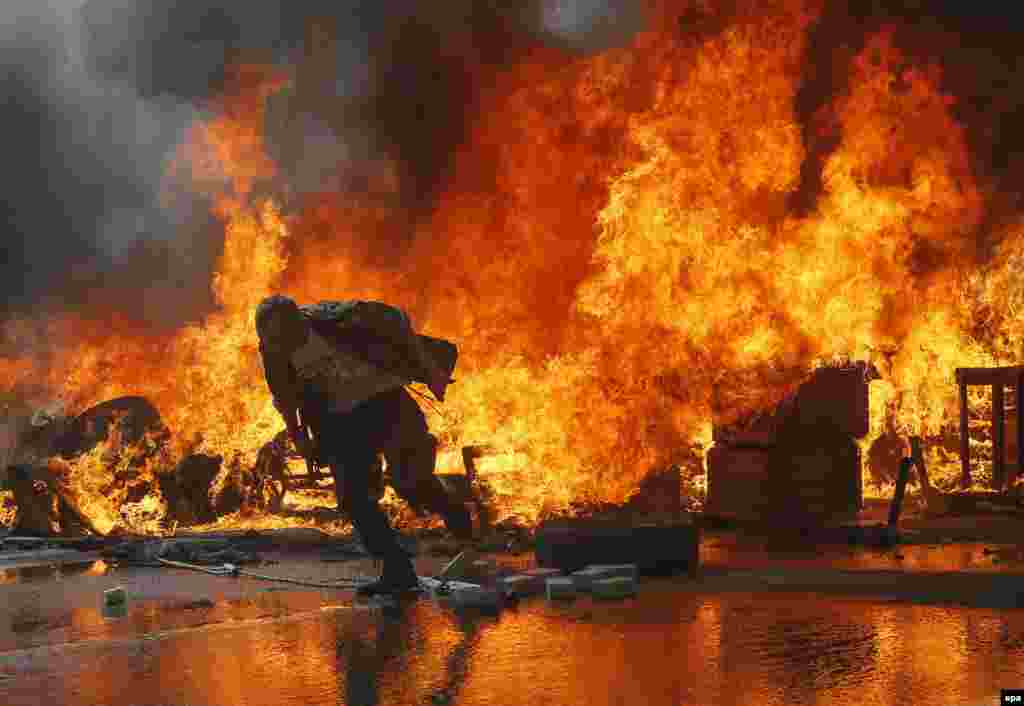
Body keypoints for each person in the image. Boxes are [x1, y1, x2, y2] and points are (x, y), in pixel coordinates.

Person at [255, 294, 474, 596]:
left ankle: (460, 522)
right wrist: (299, 437)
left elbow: (397, 319)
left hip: (387, 403)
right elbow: (284, 397)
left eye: (284, 336)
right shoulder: (272, 350)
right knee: (353, 499)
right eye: (273, 340)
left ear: (298, 323)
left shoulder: (335, 318)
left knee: (410, 483)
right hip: (341, 420)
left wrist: (429, 369)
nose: (281, 345)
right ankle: (397, 569)